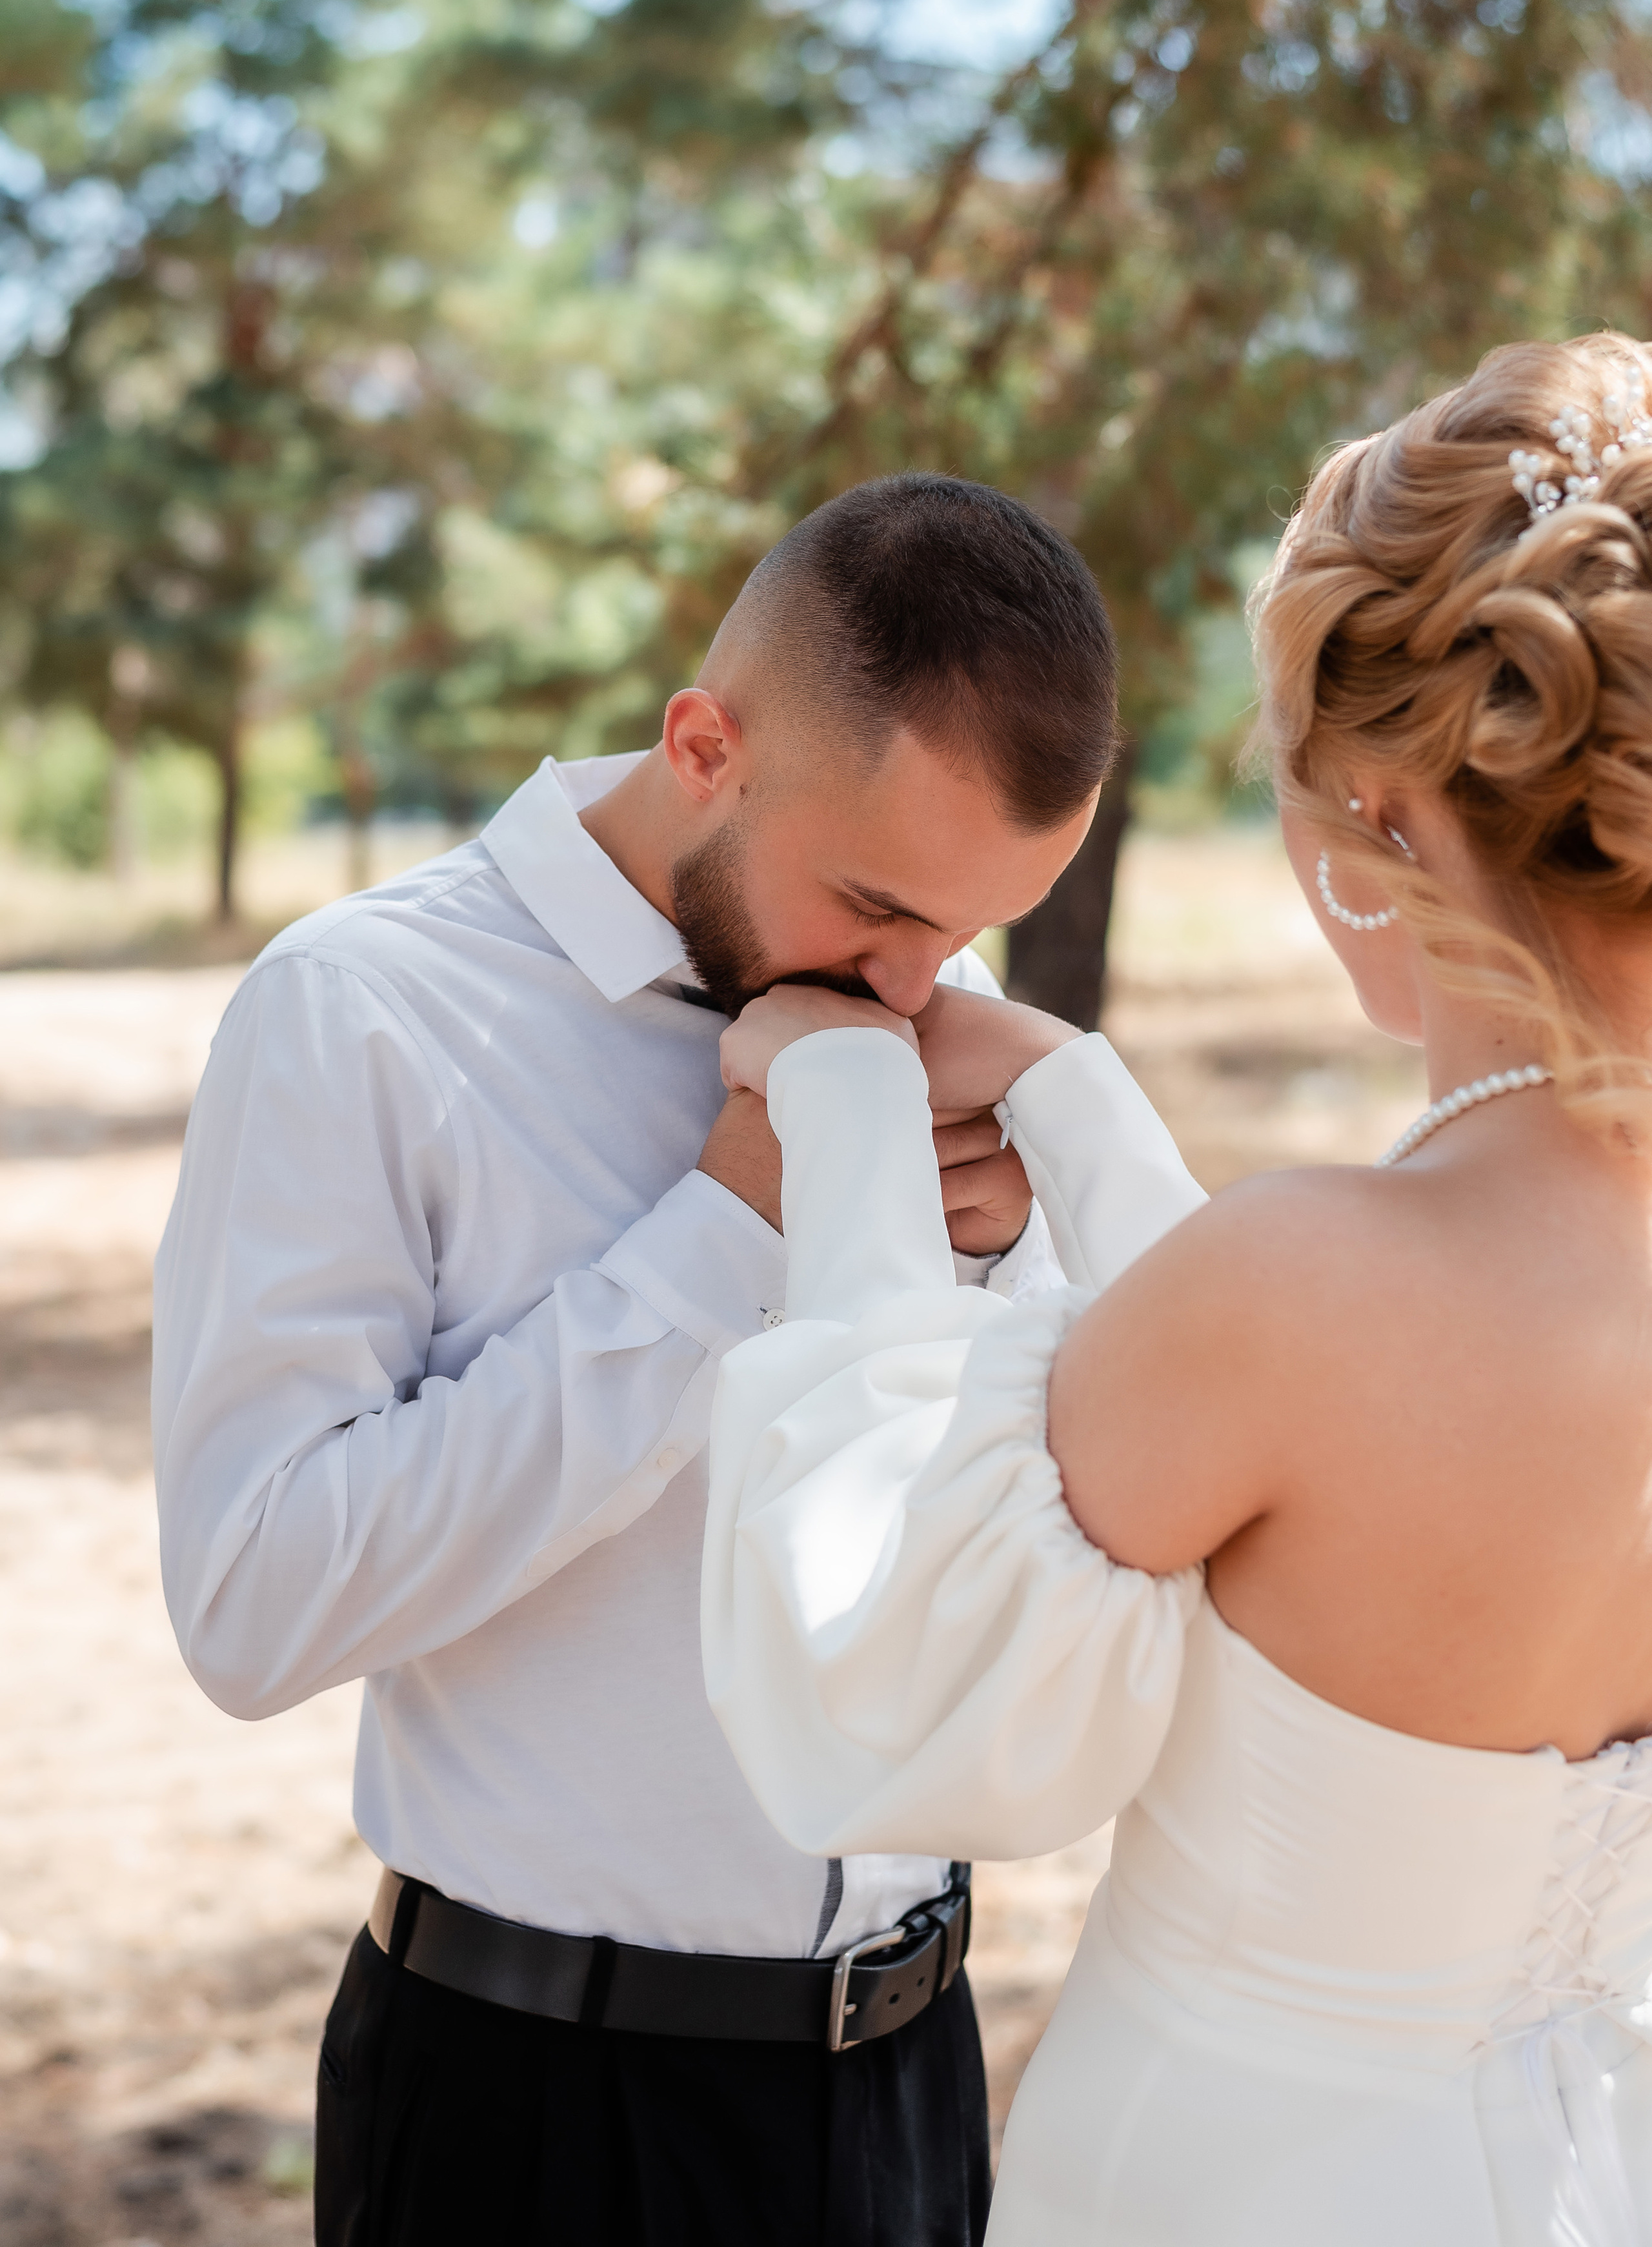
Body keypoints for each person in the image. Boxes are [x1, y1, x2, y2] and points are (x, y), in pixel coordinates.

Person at [151, 473, 1192, 2247]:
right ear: (703, 742)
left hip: (915, 2083)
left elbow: (999, 1544)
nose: (918, 975)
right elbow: (252, 1598)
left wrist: (1009, 1264)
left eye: (969, 926)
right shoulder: (362, 1012)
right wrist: (724, 1237)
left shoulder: (917, 1034)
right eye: (878, 905)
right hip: (539, 2116)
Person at [703, 334, 1652, 2244]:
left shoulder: (1310, 1287)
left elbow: (885, 1665)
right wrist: (1076, 1097)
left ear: (1380, 823)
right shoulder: (1325, 1292)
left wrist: (850, 1118)